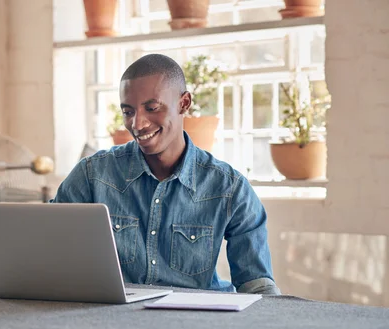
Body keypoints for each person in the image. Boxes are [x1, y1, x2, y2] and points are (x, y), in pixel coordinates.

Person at [51, 54, 280, 295]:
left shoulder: (229, 188)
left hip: (198, 322)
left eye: (152, 108)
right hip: (114, 321)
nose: (137, 124)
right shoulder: (92, 175)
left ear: (184, 103)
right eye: (128, 112)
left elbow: (258, 285)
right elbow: (47, 247)